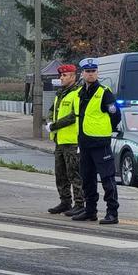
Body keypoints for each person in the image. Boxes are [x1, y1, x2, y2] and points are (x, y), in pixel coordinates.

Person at [72, 58, 121, 224]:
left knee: (107, 178)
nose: (90, 74)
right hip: (85, 143)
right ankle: (90, 210)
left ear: (97, 73)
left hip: (100, 143)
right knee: (87, 178)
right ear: (83, 73)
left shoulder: (104, 92)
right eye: (87, 71)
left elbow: (116, 115)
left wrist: (106, 130)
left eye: (93, 71)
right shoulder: (80, 93)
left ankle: (112, 213)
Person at [46, 64, 84, 217]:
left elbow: (73, 116)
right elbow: (52, 110)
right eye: (60, 76)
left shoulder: (77, 93)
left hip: (72, 141)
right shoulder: (60, 93)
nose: (61, 78)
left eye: (65, 75)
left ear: (73, 77)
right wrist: (49, 121)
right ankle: (65, 202)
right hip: (60, 140)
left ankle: (80, 203)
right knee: (60, 173)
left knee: (74, 173)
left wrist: (54, 125)